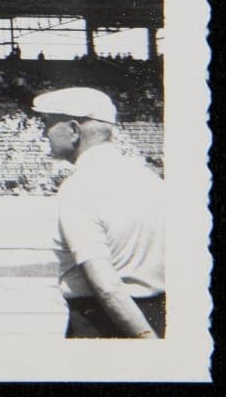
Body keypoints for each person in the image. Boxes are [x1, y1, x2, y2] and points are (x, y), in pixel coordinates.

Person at [33, 87, 165, 338]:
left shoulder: (79, 187)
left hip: (105, 321)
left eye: (48, 123)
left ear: (73, 130)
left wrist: (146, 338)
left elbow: (105, 285)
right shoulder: (149, 178)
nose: (43, 133)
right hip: (158, 312)